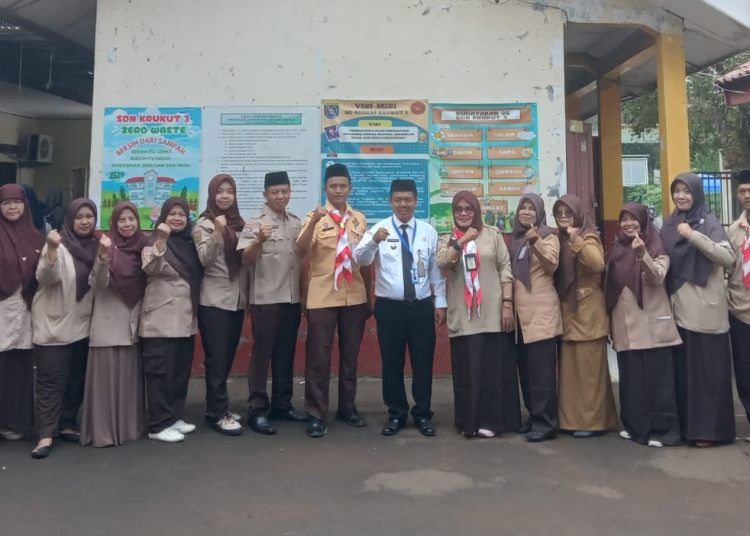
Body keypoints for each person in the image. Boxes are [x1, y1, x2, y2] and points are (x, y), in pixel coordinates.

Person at [354, 179, 447, 437]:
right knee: (392, 363)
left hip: (421, 307)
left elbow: (435, 271)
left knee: (423, 363)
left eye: (408, 200)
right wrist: (373, 242)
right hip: (389, 309)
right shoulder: (379, 229)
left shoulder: (428, 231)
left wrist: (440, 302)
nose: (403, 204)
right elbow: (360, 259)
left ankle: (423, 414)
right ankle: (396, 414)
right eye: (398, 200)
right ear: (390, 202)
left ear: (416, 202)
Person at [296, 163, 372, 438]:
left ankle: (347, 408)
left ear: (350, 188)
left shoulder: (359, 219)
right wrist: (314, 222)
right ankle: (316, 413)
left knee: (350, 355)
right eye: (333, 186)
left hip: (354, 295)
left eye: (342, 186)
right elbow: (301, 249)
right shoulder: (314, 217)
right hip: (323, 295)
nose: (338, 190)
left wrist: (370, 296)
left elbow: (365, 259)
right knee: (319, 357)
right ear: (325, 188)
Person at [661, 172, 735, 446]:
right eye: (677, 191)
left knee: (706, 375)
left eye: (687, 191)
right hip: (678, 310)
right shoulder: (670, 224)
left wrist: (693, 235)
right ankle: (687, 428)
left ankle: (709, 432)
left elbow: (727, 257)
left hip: (705, 311)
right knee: (684, 374)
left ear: (697, 194)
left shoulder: (708, 222)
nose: (681, 196)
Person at [436, 190, 515, 438]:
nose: (463, 213)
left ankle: (491, 422)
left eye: (468, 209)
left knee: (491, 372)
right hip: (463, 316)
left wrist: (507, 303)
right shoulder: (447, 239)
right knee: (465, 373)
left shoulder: (492, 234)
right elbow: (443, 263)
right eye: (458, 209)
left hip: (491, 314)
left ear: (476, 211)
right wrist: (460, 242)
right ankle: (467, 422)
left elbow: (505, 267)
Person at [606, 202, 682, 448]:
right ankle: (634, 426)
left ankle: (662, 431)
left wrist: (643, 254)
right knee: (632, 380)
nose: (629, 223)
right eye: (624, 219)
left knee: (657, 382)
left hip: (650, 324)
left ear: (644, 221)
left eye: (634, 219)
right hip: (624, 325)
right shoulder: (617, 249)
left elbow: (657, 276)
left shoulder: (656, 246)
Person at [238, 171, 307, 435]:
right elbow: (246, 258)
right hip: (266, 300)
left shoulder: (296, 222)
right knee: (262, 355)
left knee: (285, 354)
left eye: (284, 191)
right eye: (275, 192)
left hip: (291, 299)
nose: (280, 196)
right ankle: (257, 409)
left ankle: (282, 404)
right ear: (265, 194)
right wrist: (259, 240)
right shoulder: (254, 223)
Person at [31, 198, 98, 458]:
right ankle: (45, 435)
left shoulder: (96, 247)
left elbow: (100, 283)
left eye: (89, 216)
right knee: (50, 382)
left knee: (74, 380)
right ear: (70, 219)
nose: (84, 221)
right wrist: (50, 249)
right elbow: (46, 277)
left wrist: (104, 258)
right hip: (54, 326)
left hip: (82, 325)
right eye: (79, 217)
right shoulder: (59, 246)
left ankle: (67, 423)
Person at [79, 202, 147, 447]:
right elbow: (97, 283)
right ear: (114, 224)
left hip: (132, 325)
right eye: (122, 220)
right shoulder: (106, 247)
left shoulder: (143, 248)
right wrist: (103, 257)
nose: (128, 224)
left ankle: (128, 428)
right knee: (105, 383)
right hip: (108, 325)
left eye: (132, 219)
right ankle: (104, 432)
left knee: (128, 381)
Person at [553, 194, 618, 438]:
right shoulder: (558, 238)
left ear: (578, 215)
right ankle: (570, 420)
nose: (563, 217)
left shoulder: (588, 236)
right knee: (571, 374)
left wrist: (576, 239)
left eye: (568, 213)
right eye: (559, 213)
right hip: (568, 312)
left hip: (588, 311)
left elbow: (597, 264)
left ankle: (593, 422)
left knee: (590, 372)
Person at [140, 197, 203, 443]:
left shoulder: (189, 244)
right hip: (160, 319)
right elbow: (150, 268)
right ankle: (158, 424)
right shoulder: (151, 242)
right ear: (163, 218)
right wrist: (161, 241)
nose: (177, 218)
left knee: (179, 371)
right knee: (160, 374)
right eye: (172, 214)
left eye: (182, 214)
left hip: (186, 320)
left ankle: (173, 416)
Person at [194, 174, 248, 436]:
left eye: (230, 191)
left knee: (226, 357)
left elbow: (247, 259)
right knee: (216, 358)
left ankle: (216, 406)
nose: (225, 196)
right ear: (212, 194)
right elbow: (205, 259)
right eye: (220, 191)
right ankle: (218, 413)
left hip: (237, 300)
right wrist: (217, 231)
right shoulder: (204, 225)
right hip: (214, 300)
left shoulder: (240, 224)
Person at [510, 193, 562, 442]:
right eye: (523, 208)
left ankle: (546, 423)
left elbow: (552, 265)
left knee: (543, 375)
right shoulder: (516, 240)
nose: (526, 212)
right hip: (520, 318)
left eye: (531, 208)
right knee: (527, 372)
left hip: (541, 313)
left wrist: (536, 241)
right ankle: (534, 415)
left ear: (539, 213)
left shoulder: (549, 236)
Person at [0, 184, 43, 442]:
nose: (12, 207)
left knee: (17, 367)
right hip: (2, 308)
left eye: (17, 202)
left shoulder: (35, 237)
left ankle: (11, 421)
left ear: (25, 205)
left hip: (26, 309)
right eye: (6, 203)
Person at [728, 170, 750, 442]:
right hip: (741, 309)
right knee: (744, 370)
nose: (747, 195)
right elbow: (728, 269)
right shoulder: (733, 231)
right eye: (743, 191)